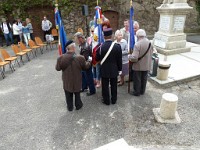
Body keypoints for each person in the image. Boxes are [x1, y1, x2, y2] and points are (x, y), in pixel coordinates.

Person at [55, 40, 91, 111]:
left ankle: (70, 107)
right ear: (74, 48)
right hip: (77, 80)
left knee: (68, 94)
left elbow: (57, 68)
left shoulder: (60, 58)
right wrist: (89, 61)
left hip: (67, 80)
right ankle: (78, 105)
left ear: (67, 48)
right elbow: (85, 67)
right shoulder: (80, 58)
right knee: (77, 93)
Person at [96, 28, 122, 105]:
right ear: (112, 36)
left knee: (105, 86)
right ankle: (114, 100)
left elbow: (97, 58)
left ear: (104, 37)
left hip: (104, 69)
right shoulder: (117, 46)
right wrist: (119, 69)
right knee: (114, 85)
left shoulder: (100, 47)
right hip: (114, 69)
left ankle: (106, 100)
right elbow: (119, 59)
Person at [128, 29, 153, 96]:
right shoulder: (150, 42)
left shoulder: (137, 44)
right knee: (144, 78)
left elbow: (135, 58)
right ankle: (142, 91)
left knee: (137, 79)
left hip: (138, 65)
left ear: (138, 36)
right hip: (147, 64)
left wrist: (129, 57)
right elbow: (152, 52)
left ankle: (137, 92)